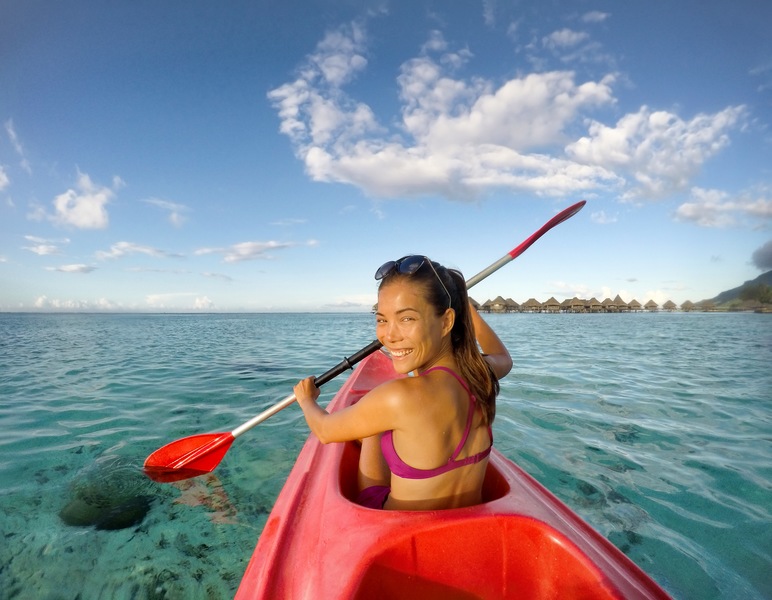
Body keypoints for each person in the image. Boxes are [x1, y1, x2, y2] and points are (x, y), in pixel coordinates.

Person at [294, 255, 512, 511]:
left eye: (407, 318)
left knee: (373, 424)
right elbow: (503, 356)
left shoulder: (398, 397)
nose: (389, 335)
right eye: (382, 319)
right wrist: (465, 305)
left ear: (446, 321)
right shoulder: (481, 373)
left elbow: (325, 430)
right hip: (460, 530)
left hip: (398, 528)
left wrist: (306, 399)